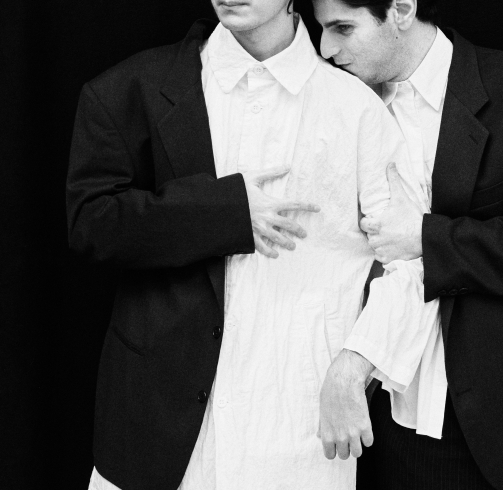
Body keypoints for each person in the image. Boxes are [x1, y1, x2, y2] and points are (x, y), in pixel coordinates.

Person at [67, 0, 438, 489]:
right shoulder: (129, 88)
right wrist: (225, 211)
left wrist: (353, 368)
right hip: (153, 429)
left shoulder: (357, 108)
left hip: (298, 432)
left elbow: (413, 261)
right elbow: (91, 225)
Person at [312, 0, 503, 489]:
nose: (326, 48)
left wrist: (424, 236)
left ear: (401, 9)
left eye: (342, 28)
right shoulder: (342, 108)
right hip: (408, 428)